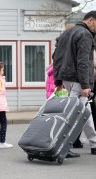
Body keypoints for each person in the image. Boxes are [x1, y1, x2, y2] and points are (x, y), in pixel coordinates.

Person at [53, 10, 96, 157]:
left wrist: (58, 80)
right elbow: (83, 62)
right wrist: (85, 85)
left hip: (67, 79)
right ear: (90, 20)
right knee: (77, 114)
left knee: (83, 112)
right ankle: (65, 145)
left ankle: (94, 143)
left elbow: (57, 58)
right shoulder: (85, 34)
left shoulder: (66, 33)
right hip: (78, 81)